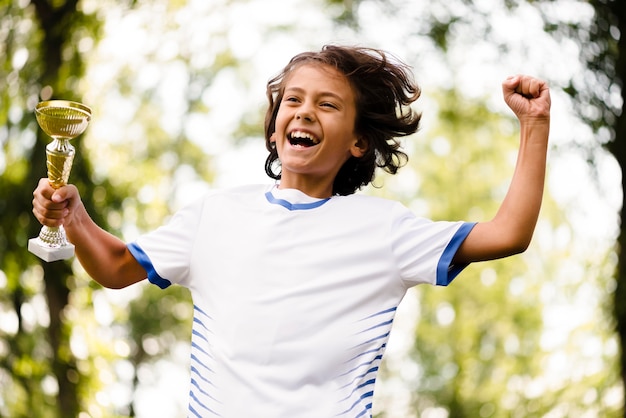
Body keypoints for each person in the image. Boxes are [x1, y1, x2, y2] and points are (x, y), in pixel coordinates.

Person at [32, 45, 550, 417]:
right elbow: (117, 268)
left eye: (328, 104)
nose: (303, 111)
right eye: (293, 101)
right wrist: (74, 219)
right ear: (277, 122)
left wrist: (534, 125)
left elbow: (508, 233)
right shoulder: (215, 214)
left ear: (358, 142)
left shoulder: (384, 230)